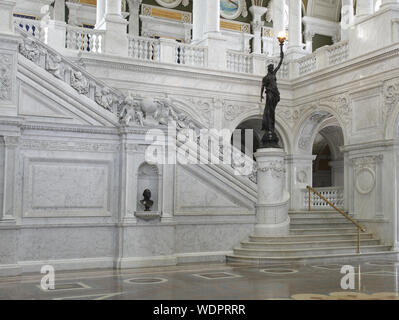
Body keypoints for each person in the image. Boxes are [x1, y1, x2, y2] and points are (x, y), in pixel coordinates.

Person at [260, 41, 284, 147]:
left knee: (272, 111)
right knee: (269, 111)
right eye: (271, 67)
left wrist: (281, 52)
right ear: (268, 68)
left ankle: (271, 128)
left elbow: (279, 64)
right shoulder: (265, 78)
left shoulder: (274, 73)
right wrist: (260, 95)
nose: (272, 68)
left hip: (275, 94)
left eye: (272, 67)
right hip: (269, 93)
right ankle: (269, 129)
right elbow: (262, 86)